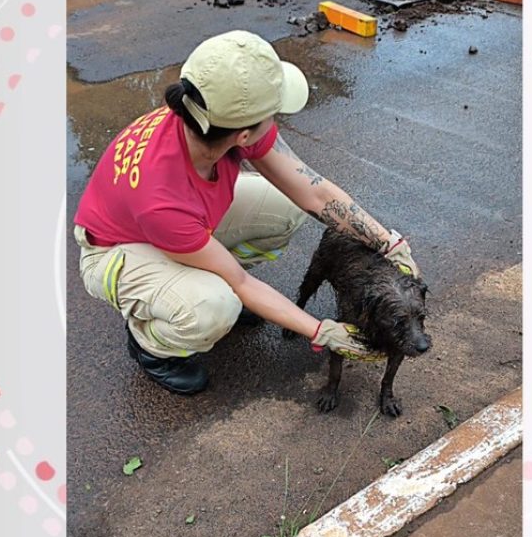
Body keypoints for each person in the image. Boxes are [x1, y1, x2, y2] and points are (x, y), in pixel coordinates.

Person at [73, 30, 420, 395]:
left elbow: (313, 193)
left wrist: (389, 243)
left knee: (285, 210)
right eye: (272, 114)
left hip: (175, 227)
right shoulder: (162, 198)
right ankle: (153, 347)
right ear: (243, 136)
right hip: (114, 250)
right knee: (214, 306)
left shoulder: (205, 114)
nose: (275, 120)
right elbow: (240, 282)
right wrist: (321, 332)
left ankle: (196, 279)